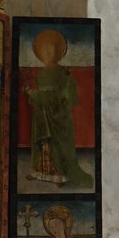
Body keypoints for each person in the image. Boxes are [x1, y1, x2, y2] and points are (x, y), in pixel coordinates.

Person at [25, 29, 93, 188]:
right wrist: (32, 94)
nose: (47, 52)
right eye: (44, 50)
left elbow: (65, 95)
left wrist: (36, 95)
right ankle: (40, 172)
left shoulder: (64, 72)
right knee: (43, 143)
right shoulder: (40, 74)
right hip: (42, 114)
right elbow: (42, 93)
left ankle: (60, 174)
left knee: (57, 144)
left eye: (51, 49)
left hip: (58, 114)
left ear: (57, 52)